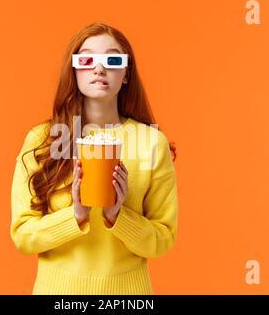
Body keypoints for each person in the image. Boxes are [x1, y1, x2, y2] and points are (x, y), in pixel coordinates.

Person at [10, 22, 179, 294]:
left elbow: (163, 239)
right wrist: (76, 215)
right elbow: (23, 236)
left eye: (112, 59)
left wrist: (117, 216)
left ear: (126, 74)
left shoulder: (150, 143)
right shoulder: (43, 140)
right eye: (87, 59)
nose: (99, 69)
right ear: (74, 69)